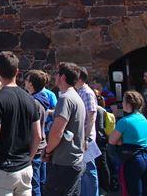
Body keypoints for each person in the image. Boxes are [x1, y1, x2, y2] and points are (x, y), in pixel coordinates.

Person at [0, 51, 41, 196]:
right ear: (17, 71)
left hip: (2, 169)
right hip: (24, 168)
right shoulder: (30, 99)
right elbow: (38, 136)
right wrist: (28, 159)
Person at [42, 62, 85, 196]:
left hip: (64, 161)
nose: (54, 76)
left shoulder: (65, 99)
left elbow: (57, 131)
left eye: (57, 74)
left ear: (63, 77)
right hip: (74, 160)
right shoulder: (76, 97)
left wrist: (48, 151)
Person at [109, 90, 147, 196]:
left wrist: (120, 141)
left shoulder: (124, 121)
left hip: (132, 161)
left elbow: (112, 140)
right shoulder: (144, 118)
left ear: (129, 104)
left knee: (132, 192)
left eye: (123, 102)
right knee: (145, 192)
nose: (122, 104)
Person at [25, 70, 50, 196]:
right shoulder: (42, 99)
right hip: (41, 146)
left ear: (31, 84)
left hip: (34, 148)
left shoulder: (33, 102)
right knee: (41, 182)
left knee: (34, 185)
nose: (24, 82)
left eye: (26, 80)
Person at [76, 67, 100, 196]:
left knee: (89, 170)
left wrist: (85, 138)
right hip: (83, 136)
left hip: (87, 136)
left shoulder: (87, 93)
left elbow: (91, 117)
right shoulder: (80, 91)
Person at [94, 91, 112, 193]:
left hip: (99, 140)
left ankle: (105, 186)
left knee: (102, 163)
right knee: (102, 163)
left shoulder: (98, 109)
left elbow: (99, 127)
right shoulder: (102, 109)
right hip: (102, 139)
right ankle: (105, 185)